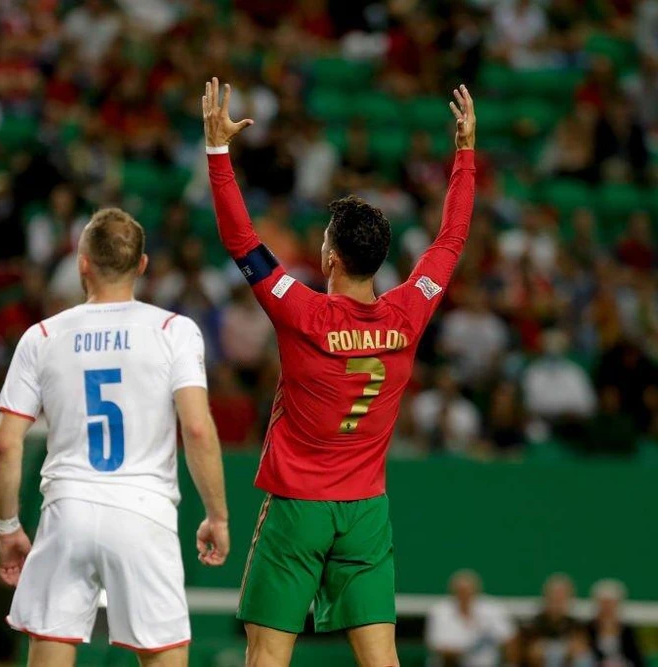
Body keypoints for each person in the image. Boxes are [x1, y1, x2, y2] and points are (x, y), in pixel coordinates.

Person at [202, 77, 477, 666]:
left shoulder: (299, 310)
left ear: (329, 255)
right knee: (382, 659)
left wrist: (218, 153)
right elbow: (451, 240)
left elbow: (240, 241)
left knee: (268, 654)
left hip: (298, 508)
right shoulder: (411, 309)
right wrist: (465, 155)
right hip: (366, 512)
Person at [0, 208, 230, 667]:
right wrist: (217, 515)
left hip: (67, 509)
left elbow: (6, 443)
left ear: (82, 263)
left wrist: (7, 528)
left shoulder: (41, 336)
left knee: (50, 648)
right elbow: (197, 428)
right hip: (145, 512)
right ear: (142, 265)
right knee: (162, 654)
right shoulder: (173, 331)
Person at [425, 570, 517, 667]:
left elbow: (510, 640)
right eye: (460, 591)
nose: (464, 595)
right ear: (453, 592)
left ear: (477, 590)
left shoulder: (494, 609)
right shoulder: (439, 611)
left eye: (468, 591)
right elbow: (438, 647)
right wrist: (465, 652)